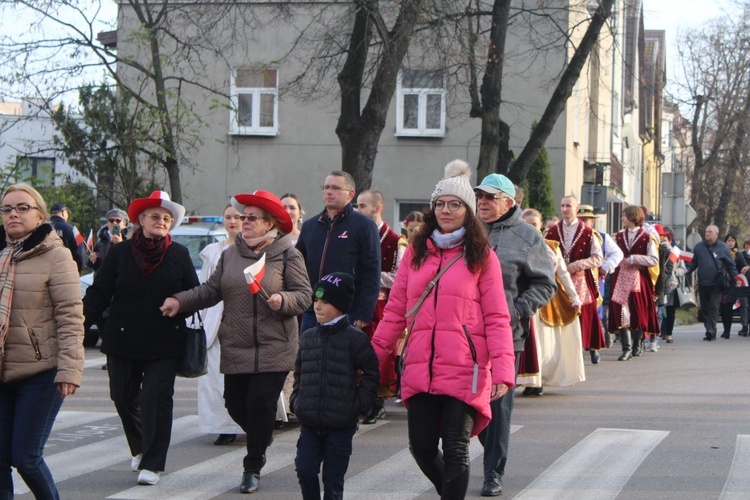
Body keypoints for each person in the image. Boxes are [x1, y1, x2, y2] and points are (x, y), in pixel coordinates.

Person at [373, 160, 516, 499]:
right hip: (421, 363)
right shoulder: (416, 253)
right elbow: (395, 310)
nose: (446, 210)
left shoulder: (482, 255)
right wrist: (372, 358)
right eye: (440, 203)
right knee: (421, 447)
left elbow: (497, 316)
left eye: (455, 204)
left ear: (468, 210)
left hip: (467, 365)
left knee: (455, 448)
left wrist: (503, 371)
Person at [161, 190, 312, 494]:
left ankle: (252, 465)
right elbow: (209, 291)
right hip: (237, 346)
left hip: (275, 346)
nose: (244, 221)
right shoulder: (230, 255)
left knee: (260, 402)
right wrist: (180, 301)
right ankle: (261, 434)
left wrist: (283, 299)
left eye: (252, 218)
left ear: (270, 223)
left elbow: (305, 296)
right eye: (243, 216)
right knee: (234, 404)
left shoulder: (287, 254)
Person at [83, 190, 199, 486]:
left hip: (164, 339)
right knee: (122, 396)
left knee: (156, 400)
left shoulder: (179, 254)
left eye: (166, 218)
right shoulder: (120, 253)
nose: (161, 221)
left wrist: (179, 302)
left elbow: (195, 293)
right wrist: (79, 322)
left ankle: (153, 462)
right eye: (155, 216)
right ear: (140, 220)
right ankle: (139, 447)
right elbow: (99, 291)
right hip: (122, 336)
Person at [0, 183, 84, 499]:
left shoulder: (56, 256)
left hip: (40, 372)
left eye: (22, 208)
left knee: (26, 457)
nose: (13, 214)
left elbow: (71, 316)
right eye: (7, 209)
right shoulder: (1, 254)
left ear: (39, 215)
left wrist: (70, 370)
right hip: (2, 368)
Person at [474, 174, 556, 496]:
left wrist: (518, 309)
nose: (483, 202)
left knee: (498, 405)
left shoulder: (527, 236)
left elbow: (545, 284)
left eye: (491, 197)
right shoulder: (466, 232)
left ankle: (493, 471)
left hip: (507, 335)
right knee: (461, 402)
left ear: (509, 202)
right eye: (480, 196)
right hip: (463, 332)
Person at [292, 272, 379, 500]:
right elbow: (299, 372)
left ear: (340, 306)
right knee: (305, 470)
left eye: (325, 302)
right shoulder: (308, 337)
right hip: (310, 421)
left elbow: (371, 372)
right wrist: (297, 401)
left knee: (333, 480)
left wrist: (359, 406)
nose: (317, 307)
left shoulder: (355, 339)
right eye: (316, 301)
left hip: (340, 424)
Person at [296, 171, 380, 335]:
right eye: (326, 187)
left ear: (350, 194)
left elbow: (372, 270)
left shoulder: (364, 226)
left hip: (347, 311)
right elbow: (297, 265)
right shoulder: (310, 226)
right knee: (309, 358)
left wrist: (365, 311)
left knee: (341, 359)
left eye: (335, 188)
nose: (329, 191)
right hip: (313, 311)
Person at [518, 209, 583, 395]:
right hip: (525, 300)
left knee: (543, 345)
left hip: (547, 301)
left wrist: (574, 296)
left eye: (534, 224)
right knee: (528, 343)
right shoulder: (518, 245)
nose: (530, 228)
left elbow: (562, 273)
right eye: (527, 224)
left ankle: (538, 382)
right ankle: (527, 380)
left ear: (541, 227)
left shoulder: (552, 246)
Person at [196, 205, 244, 446]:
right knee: (214, 375)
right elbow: (204, 287)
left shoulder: (253, 249)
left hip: (244, 319)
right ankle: (222, 425)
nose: (233, 221)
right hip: (215, 320)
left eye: (238, 217)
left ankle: (254, 421)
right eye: (228, 217)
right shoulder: (213, 251)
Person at [355, 189, 404, 424]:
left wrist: (368, 276)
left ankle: (375, 400)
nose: (358, 210)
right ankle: (356, 398)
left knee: (377, 352)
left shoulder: (394, 241)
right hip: (355, 302)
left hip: (379, 305)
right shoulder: (354, 235)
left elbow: (398, 277)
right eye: (357, 206)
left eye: (363, 206)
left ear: (377, 208)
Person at [545, 196, 606, 363]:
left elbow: (598, 258)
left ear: (576, 209)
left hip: (580, 278)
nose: (564, 209)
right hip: (560, 279)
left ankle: (592, 347)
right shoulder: (552, 231)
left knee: (586, 313)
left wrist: (578, 264)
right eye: (562, 206)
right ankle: (566, 350)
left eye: (568, 206)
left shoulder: (588, 233)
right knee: (562, 311)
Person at [608, 206, 660, 360]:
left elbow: (654, 260)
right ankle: (626, 348)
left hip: (639, 278)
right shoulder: (617, 237)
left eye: (624, 216)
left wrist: (634, 258)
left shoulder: (648, 238)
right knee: (622, 311)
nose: (622, 218)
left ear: (632, 217)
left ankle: (637, 345)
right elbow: (609, 255)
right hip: (621, 278)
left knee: (638, 312)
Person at [687, 225, 738, 341]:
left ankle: (710, 330)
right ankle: (709, 328)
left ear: (716, 234)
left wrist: (736, 279)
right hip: (703, 283)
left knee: (714, 306)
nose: (707, 233)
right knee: (705, 308)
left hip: (717, 283)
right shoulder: (699, 247)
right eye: (706, 231)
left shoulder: (723, 247)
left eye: (710, 232)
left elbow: (731, 265)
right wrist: (687, 270)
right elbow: (694, 263)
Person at [659, 226, 685, 343]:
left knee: (670, 310)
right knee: (660, 309)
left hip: (672, 285)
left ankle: (669, 333)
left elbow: (683, 269)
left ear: (670, 240)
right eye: (661, 239)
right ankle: (660, 331)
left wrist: (675, 270)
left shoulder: (675, 253)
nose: (663, 242)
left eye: (665, 239)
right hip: (659, 284)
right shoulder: (657, 250)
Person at [720, 233, 749, 337]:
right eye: (729, 241)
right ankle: (724, 328)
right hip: (721, 282)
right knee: (721, 307)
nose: (731, 243)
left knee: (728, 306)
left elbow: (744, 266)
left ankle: (727, 331)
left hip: (733, 284)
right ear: (725, 242)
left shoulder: (738, 255)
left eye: (732, 241)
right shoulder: (721, 253)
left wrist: (741, 275)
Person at [89, 208, 129, 273]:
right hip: (104, 280)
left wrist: (120, 244)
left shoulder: (130, 240)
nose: (114, 223)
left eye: (118, 220)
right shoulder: (101, 240)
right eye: (111, 220)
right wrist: (93, 261)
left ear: (124, 224)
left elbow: (130, 263)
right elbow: (97, 267)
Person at [49, 202, 87, 272]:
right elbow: (80, 252)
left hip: (46, 272)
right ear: (63, 213)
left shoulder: (43, 229)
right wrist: (78, 271)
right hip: (67, 272)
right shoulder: (73, 230)